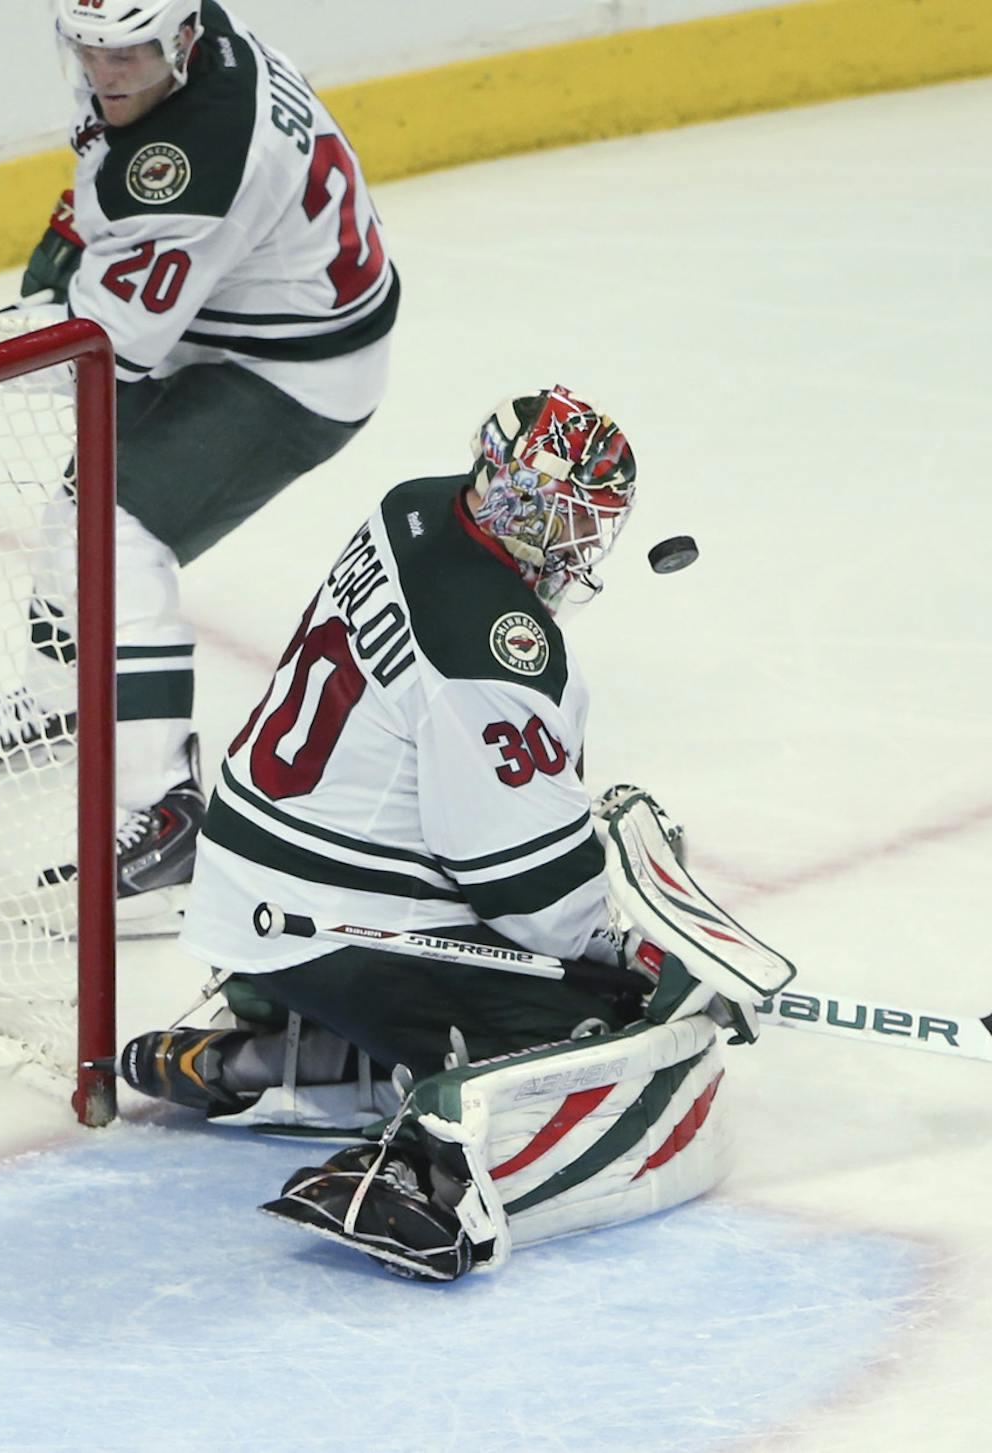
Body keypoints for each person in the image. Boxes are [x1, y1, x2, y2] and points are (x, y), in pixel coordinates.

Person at [119, 387, 743, 1281]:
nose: (578, 547)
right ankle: (421, 1168)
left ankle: (276, 1049)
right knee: (603, 1021)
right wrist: (629, 951)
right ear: (523, 501)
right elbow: (531, 898)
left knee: (529, 952)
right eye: (571, 520)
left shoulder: (413, 505)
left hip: (252, 892)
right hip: (333, 930)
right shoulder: (494, 643)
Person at [0, 0, 397, 933]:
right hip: (240, 309)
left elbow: (104, 348)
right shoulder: (189, 39)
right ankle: (65, 700)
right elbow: (112, 176)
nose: (108, 75)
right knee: (85, 502)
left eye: (131, 55)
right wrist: (74, 239)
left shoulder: (197, 162)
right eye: (91, 51)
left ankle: (164, 830)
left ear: (180, 41)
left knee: (112, 532)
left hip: (294, 368)